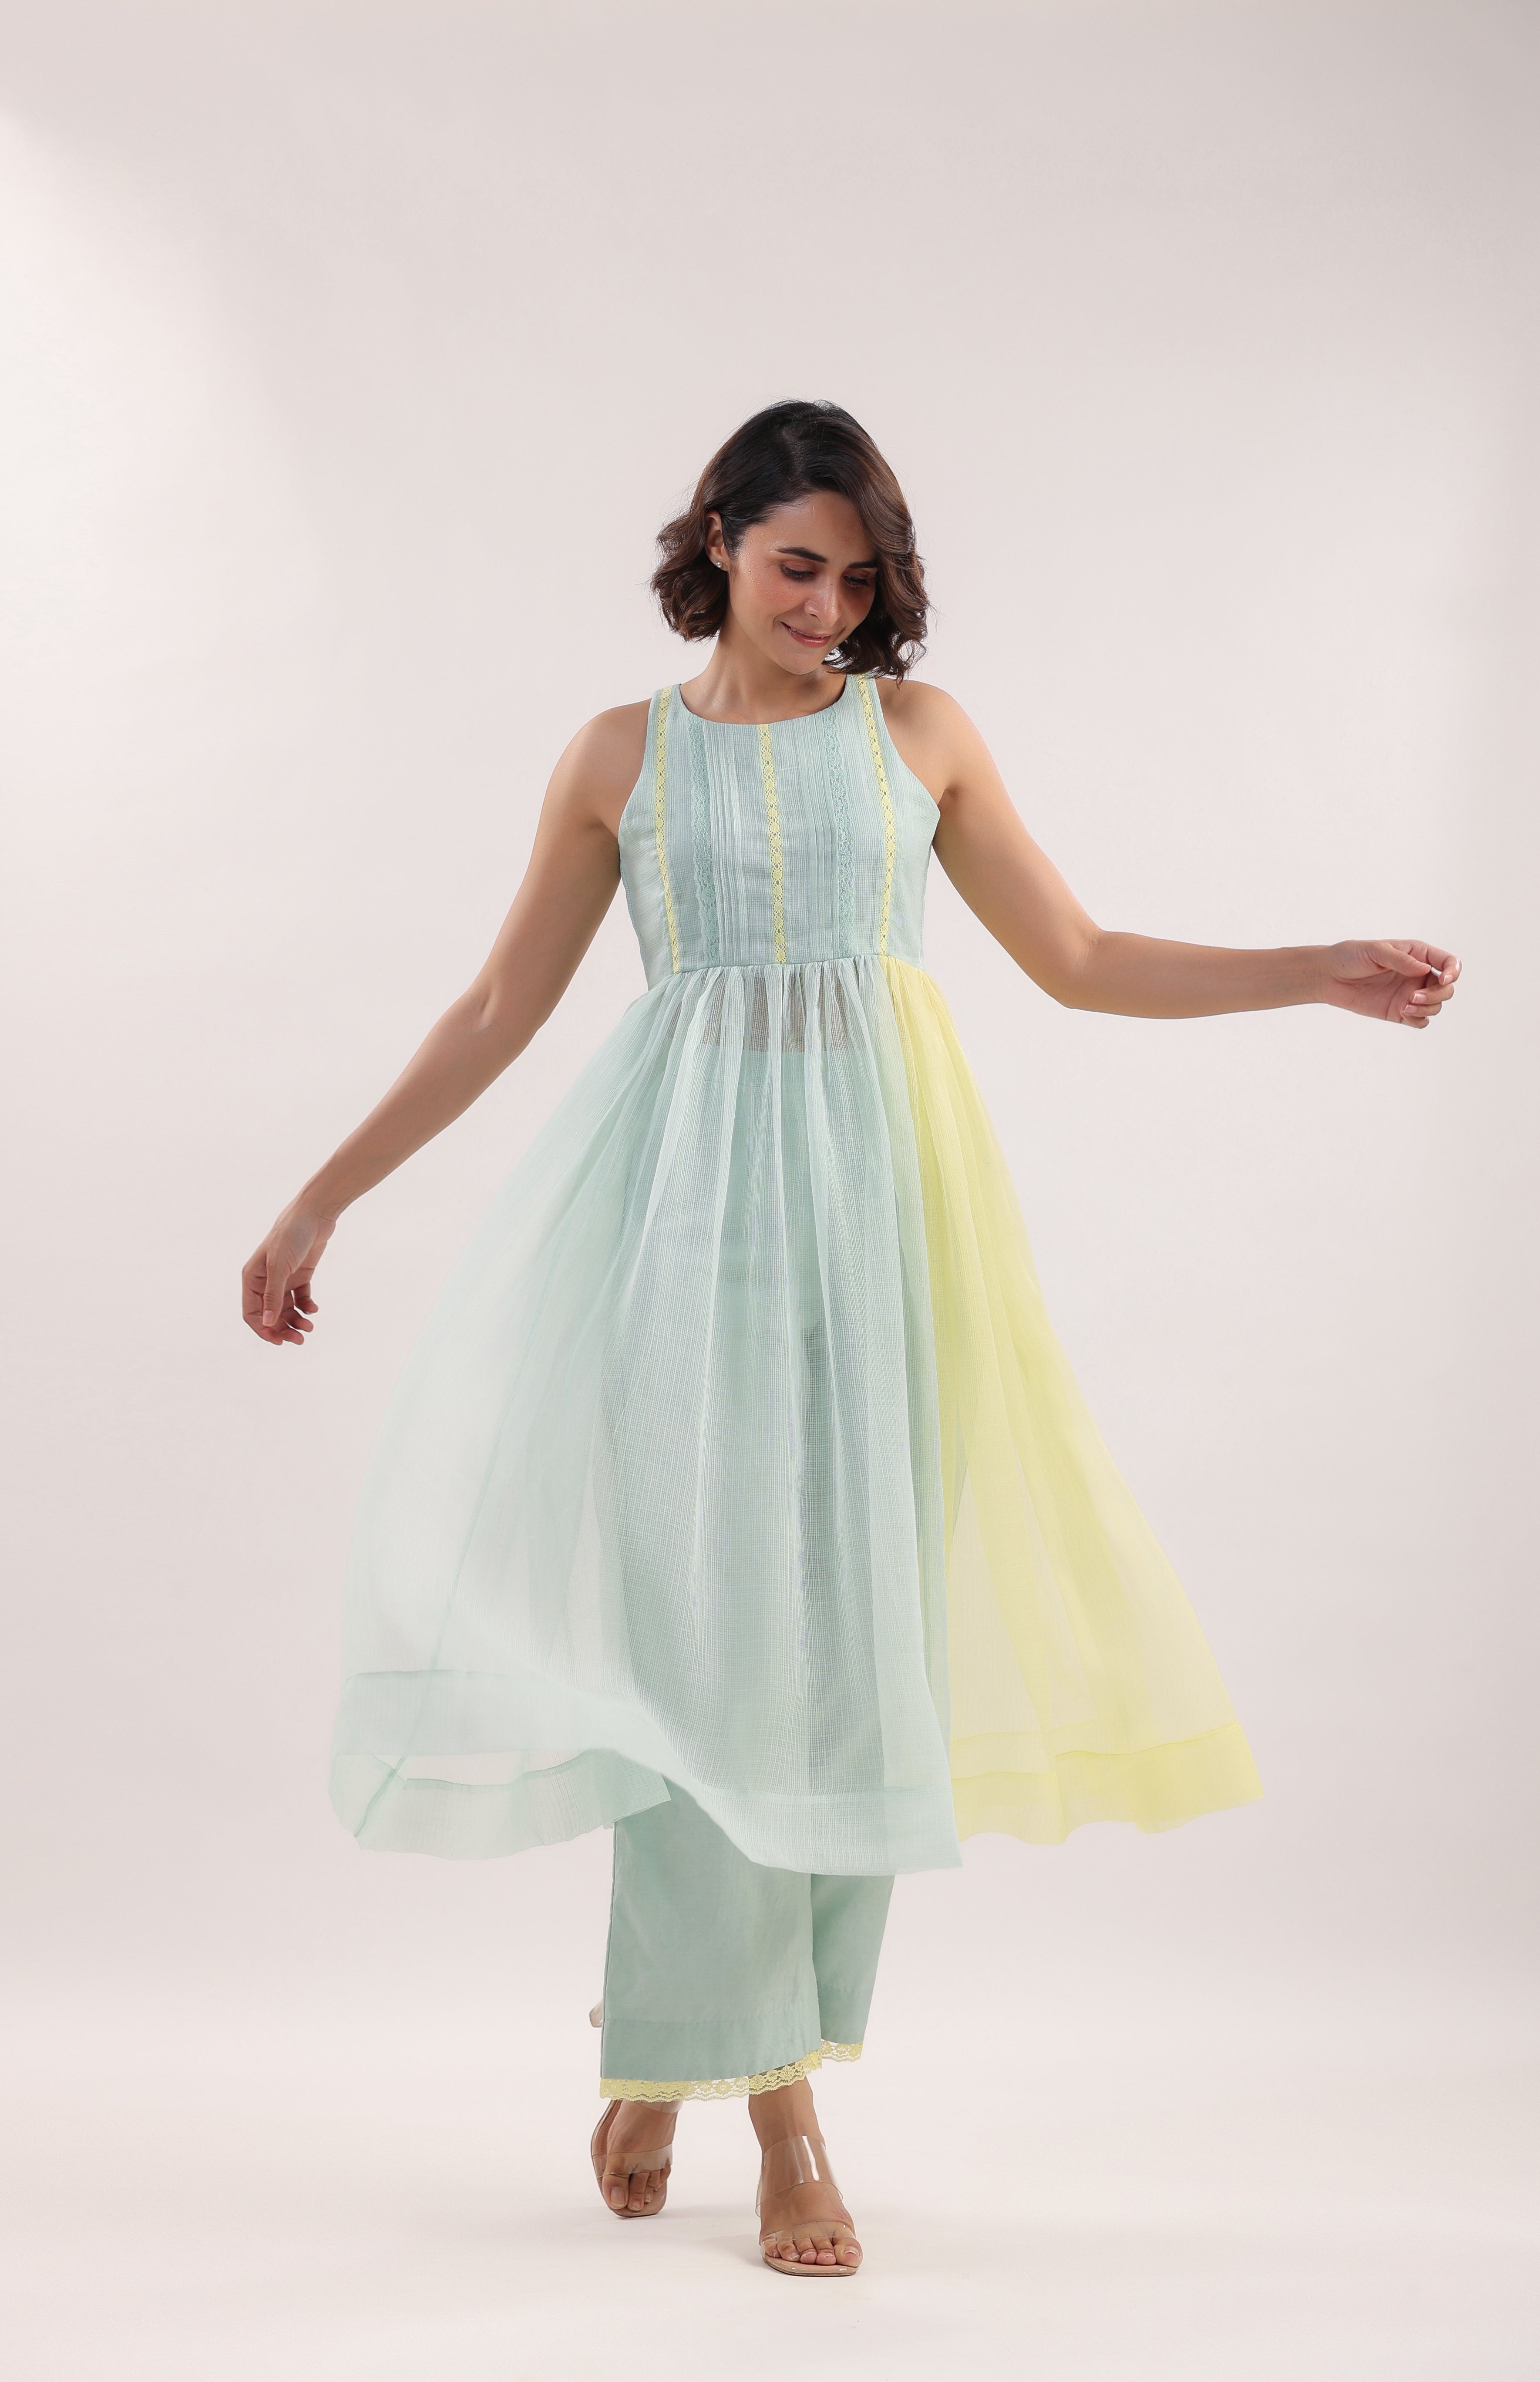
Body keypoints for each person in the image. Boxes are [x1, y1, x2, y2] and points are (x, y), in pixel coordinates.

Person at [242, 399, 1460, 2277]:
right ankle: (780, 2111)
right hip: (682, 1241)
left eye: (861, 578)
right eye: (798, 567)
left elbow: (1079, 960)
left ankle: (682, 2042)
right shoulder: (619, 757)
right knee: (704, 1666)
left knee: (845, 1672)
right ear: (719, 542)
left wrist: (1314, 970)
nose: (829, 607)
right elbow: (497, 1009)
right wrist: (321, 1197)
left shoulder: (918, 736)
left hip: (893, 1242)